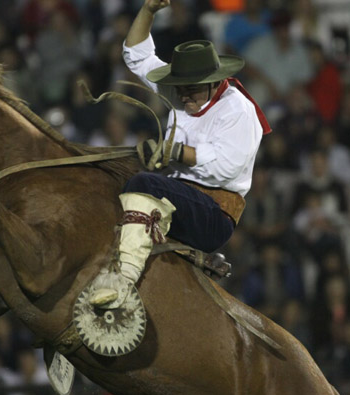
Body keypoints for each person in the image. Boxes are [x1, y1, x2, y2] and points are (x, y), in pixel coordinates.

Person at [89, 0, 270, 308]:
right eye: (180, 88)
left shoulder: (239, 109)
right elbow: (137, 55)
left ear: (214, 83)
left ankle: (124, 278)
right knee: (112, 177)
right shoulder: (179, 90)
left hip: (215, 213)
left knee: (144, 184)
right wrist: (147, 11)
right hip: (181, 196)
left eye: (191, 89)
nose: (183, 95)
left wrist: (172, 152)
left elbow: (225, 167)